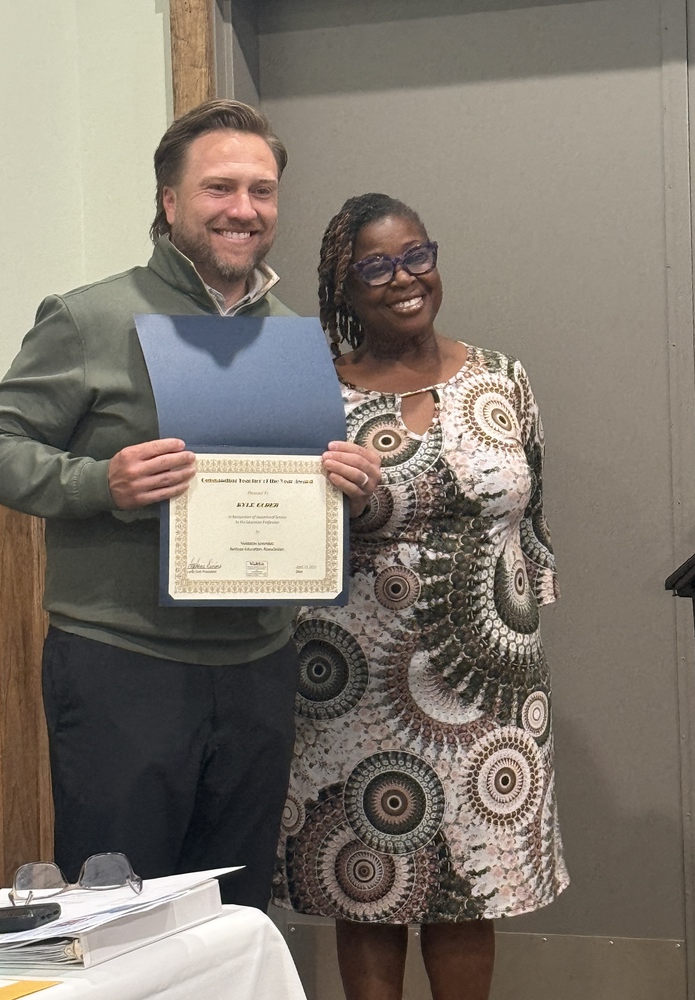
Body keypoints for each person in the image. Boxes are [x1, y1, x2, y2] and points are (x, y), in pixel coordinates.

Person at [0, 100, 379, 912]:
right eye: (219, 188)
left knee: (233, 914)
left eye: (261, 191)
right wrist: (101, 483)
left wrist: (344, 486)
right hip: (124, 665)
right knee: (121, 914)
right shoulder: (90, 316)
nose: (243, 209)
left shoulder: (291, 336)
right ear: (169, 201)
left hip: (259, 665)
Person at [272, 193, 569, 1000]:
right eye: (376, 266)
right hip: (354, 679)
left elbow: (534, 519)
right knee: (368, 880)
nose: (403, 278)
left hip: (492, 682)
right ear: (345, 286)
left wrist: (526, 627)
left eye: (416, 256)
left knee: (471, 886)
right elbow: (281, 528)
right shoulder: (318, 394)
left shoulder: (503, 378)